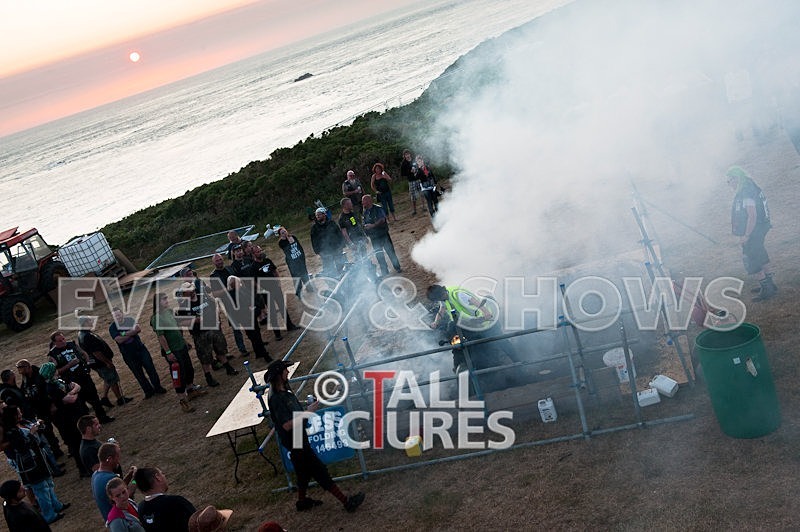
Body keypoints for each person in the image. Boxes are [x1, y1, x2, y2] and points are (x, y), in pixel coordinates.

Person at [266, 359, 365, 513]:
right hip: (294, 439)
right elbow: (286, 425)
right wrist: (308, 412)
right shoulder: (277, 398)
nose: (287, 372)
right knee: (319, 471)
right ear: (279, 375)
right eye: (285, 370)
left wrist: (307, 408)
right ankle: (346, 502)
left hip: (297, 437)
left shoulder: (283, 392)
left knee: (302, 472)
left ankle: (302, 501)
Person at [1, 405, 68, 525]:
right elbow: (21, 448)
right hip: (29, 466)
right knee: (41, 490)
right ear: (13, 416)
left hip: (39, 459)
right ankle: (49, 515)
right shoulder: (11, 432)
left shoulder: (22, 423)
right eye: (18, 413)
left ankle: (57, 505)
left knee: (48, 483)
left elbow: (36, 431)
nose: (21, 414)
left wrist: (38, 425)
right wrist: (31, 433)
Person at [726, 165, 777, 301]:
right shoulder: (749, 186)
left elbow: (752, 215)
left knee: (751, 256)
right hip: (761, 226)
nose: (729, 184)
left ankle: (766, 288)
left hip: (754, 228)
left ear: (736, 178)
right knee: (760, 252)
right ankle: (770, 284)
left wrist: (746, 235)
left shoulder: (746, 191)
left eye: (729, 180)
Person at [150, 292, 206, 413]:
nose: (166, 300)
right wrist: (168, 352)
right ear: (157, 302)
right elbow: (161, 337)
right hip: (173, 350)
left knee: (189, 369)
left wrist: (184, 341)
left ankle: (191, 390)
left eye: (166, 298)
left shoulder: (169, 312)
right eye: (164, 299)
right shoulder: (156, 318)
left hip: (181, 346)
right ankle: (183, 401)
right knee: (179, 374)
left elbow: (177, 327)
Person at [175, 281, 237, 387]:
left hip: (213, 329)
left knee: (220, 350)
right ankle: (208, 377)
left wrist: (217, 317)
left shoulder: (203, 297)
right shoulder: (183, 306)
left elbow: (214, 306)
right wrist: (195, 320)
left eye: (193, 290)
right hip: (200, 334)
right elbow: (182, 322)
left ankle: (228, 367)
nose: (192, 292)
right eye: (189, 292)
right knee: (205, 357)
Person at [38, 361, 93, 477]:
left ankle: (86, 466)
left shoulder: (59, 381)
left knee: (81, 441)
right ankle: (82, 469)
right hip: (67, 421)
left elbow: (77, 386)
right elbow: (70, 399)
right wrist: (74, 392)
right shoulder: (50, 388)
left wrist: (72, 392)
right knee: (76, 444)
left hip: (75, 415)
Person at [47, 331, 114, 423]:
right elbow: (55, 372)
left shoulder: (72, 344)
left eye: (63, 338)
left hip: (84, 376)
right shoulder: (53, 355)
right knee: (81, 404)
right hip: (71, 382)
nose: (63, 341)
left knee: (94, 397)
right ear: (54, 342)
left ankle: (102, 417)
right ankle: (88, 424)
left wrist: (87, 363)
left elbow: (83, 353)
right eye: (60, 340)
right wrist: (69, 365)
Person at [109, 308, 167, 399]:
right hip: (128, 355)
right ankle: (148, 392)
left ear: (122, 314)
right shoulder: (112, 327)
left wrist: (123, 334)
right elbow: (119, 340)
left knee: (151, 369)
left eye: (118, 314)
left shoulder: (130, 320)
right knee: (139, 374)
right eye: (115, 316)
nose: (117, 317)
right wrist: (131, 332)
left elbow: (138, 329)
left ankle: (158, 387)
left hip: (141, 349)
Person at [78, 318, 134, 407]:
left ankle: (104, 398)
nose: (91, 322)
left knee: (107, 378)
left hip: (95, 362)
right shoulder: (88, 336)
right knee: (112, 379)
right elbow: (96, 352)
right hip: (101, 362)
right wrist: (107, 362)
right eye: (89, 321)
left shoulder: (81, 334)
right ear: (85, 323)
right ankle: (120, 399)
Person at [16, 359, 63, 459]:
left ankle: (71, 447)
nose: (19, 371)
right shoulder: (25, 379)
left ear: (27, 367)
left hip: (49, 406)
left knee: (62, 426)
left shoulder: (40, 374)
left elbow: (50, 389)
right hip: (40, 410)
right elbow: (24, 392)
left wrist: (53, 404)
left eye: (20, 368)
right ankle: (56, 450)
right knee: (47, 431)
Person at [208, 254, 250, 357]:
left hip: (240, 301)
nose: (219, 262)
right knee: (236, 329)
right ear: (214, 263)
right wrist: (228, 288)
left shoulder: (229, 268)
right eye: (217, 261)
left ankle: (254, 342)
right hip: (229, 305)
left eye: (220, 259)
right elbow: (215, 294)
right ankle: (242, 348)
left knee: (247, 324)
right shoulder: (214, 276)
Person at [134, 467, 196, 532]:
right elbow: (196, 522)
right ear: (157, 477)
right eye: (162, 473)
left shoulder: (141, 508)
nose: (164, 476)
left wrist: (134, 479)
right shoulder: (176, 502)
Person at [226, 275, 271, 360]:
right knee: (253, 335)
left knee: (256, 333)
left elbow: (252, 299)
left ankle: (258, 352)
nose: (238, 283)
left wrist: (256, 309)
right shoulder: (231, 295)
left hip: (251, 315)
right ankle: (265, 354)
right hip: (244, 318)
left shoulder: (243, 290)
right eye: (235, 283)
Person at [92, 442, 136, 523]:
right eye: (117, 456)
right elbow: (127, 495)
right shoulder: (109, 478)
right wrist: (135, 479)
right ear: (109, 459)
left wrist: (130, 475)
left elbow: (120, 486)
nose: (119, 460)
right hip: (122, 520)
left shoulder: (96, 474)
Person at [362, 194, 402, 275]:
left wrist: (372, 225)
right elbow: (364, 223)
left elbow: (382, 219)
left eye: (364, 201)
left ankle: (397, 267)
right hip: (374, 237)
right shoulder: (365, 212)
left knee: (390, 251)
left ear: (369, 201)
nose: (362, 203)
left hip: (383, 234)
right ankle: (385, 271)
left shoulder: (378, 208)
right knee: (379, 254)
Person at [309, 207, 345, 278]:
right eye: (316, 215)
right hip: (325, 252)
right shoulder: (314, 228)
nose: (318, 216)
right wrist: (318, 252)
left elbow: (339, 234)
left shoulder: (332, 223)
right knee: (329, 269)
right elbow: (314, 241)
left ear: (324, 215)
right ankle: (332, 282)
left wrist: (341, 245)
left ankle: (343, 279)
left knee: (340, 266)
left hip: (336, 249)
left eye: (319, 214)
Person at [277, 226, 311, 296]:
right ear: (280, 235)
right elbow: (287, 250)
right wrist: (290, 242)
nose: (284, 233)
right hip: (292, 262)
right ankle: (299, 292)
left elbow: (299, 246)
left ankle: (309, 287)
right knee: (296, 277)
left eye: (285, 231)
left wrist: (302, 256)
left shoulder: (293, 237)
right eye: (282, 233)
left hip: (299, 258)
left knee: (304, 273)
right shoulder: (281, 242)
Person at [400, 149, 421, 215]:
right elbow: (402, 174)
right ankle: (414, 210)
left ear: (410, 154)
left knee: (422, 193)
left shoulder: (414, 160)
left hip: (418, 179)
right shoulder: (403, 163)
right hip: (411, 181)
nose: (407, 155)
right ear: (404, 156)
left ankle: (423, 207)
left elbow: (419, 166)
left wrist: (417, 170)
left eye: (408, 154)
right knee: (413, 196)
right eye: (406, 154)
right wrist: (409, 172)